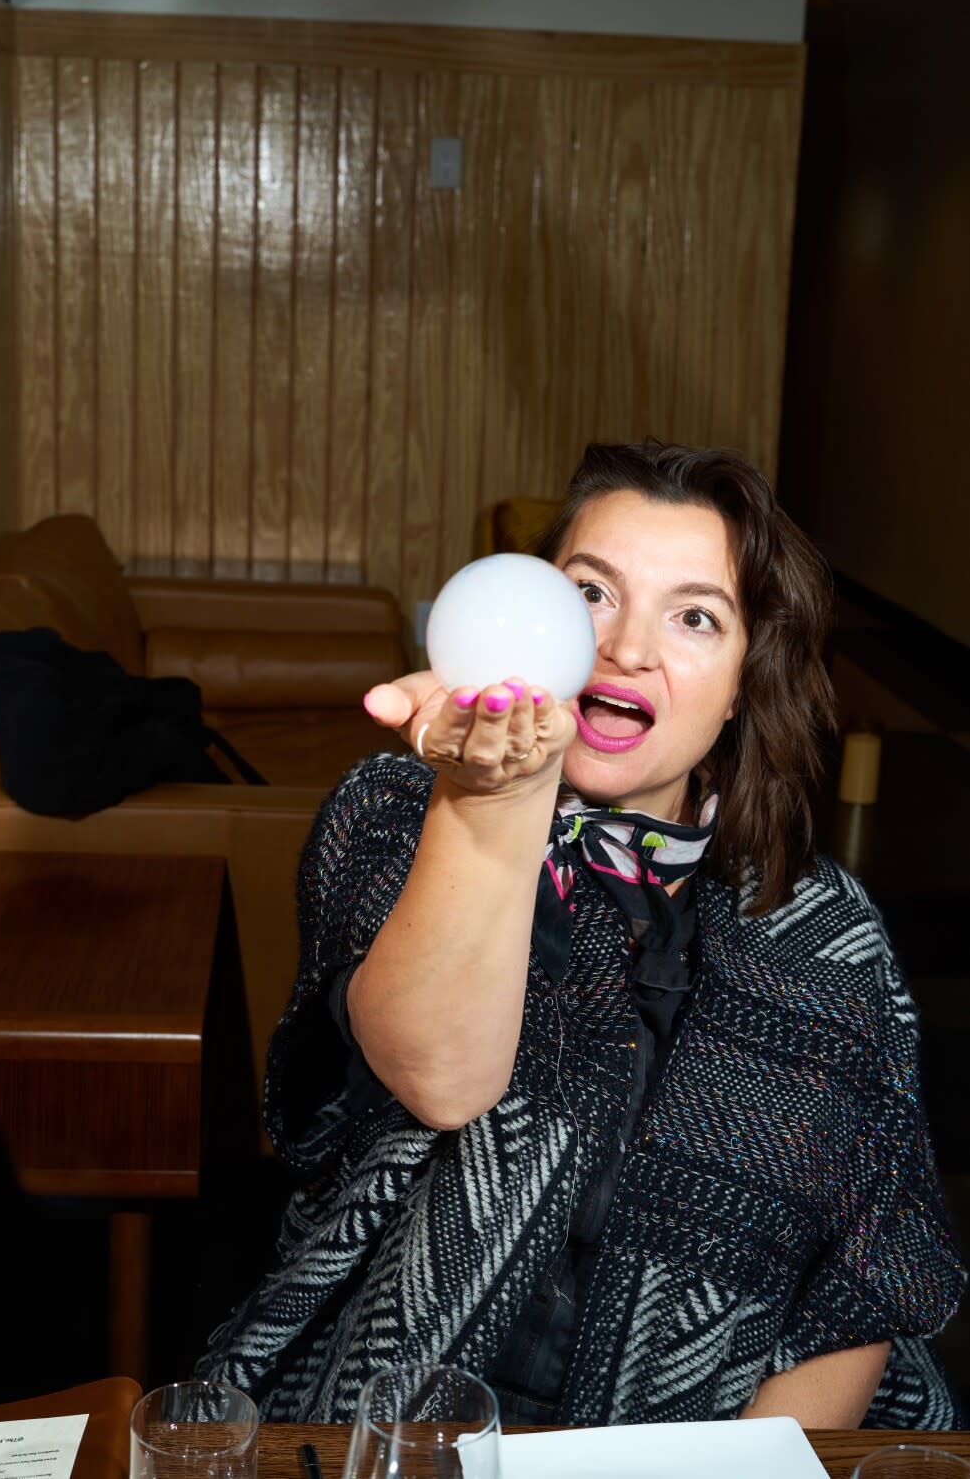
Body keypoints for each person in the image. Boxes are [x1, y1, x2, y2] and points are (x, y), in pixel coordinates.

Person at [198, 442, 965, 1427]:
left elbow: (864, 1279)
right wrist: (493, 798)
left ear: (741, 683)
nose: (625, 648)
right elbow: (438, 1076)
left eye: (695, 616)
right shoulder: (396, 812)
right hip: (401, 1425)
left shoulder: (825, 931)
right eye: (590, 595)